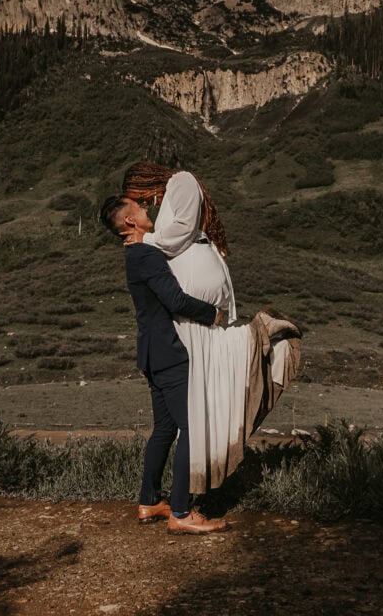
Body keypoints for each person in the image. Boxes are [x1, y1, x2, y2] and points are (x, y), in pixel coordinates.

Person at [121, 161, 302, 494]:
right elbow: (176, 239)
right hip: (191, 313)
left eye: (134, 196)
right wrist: (144, 238)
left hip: (175, 326)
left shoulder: (181, 182)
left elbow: (178, 233)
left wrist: (144, 238)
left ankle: (158, 497)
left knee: (185, 407)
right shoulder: (149, 241)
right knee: (197, 409)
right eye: (134, 202)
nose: (139, 203)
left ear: (141, 182)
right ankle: (182, 504)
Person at [100, 194, 228, 535]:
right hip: (169, 354)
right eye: (140, 209)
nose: (147, 210)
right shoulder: (147, 254)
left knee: (165, 429)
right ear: (130, 222)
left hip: (152, 354)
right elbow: (175, 300)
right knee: (191, 427)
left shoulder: (135, 255)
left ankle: (150, 501)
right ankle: (182, 511)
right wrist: (213, 314)